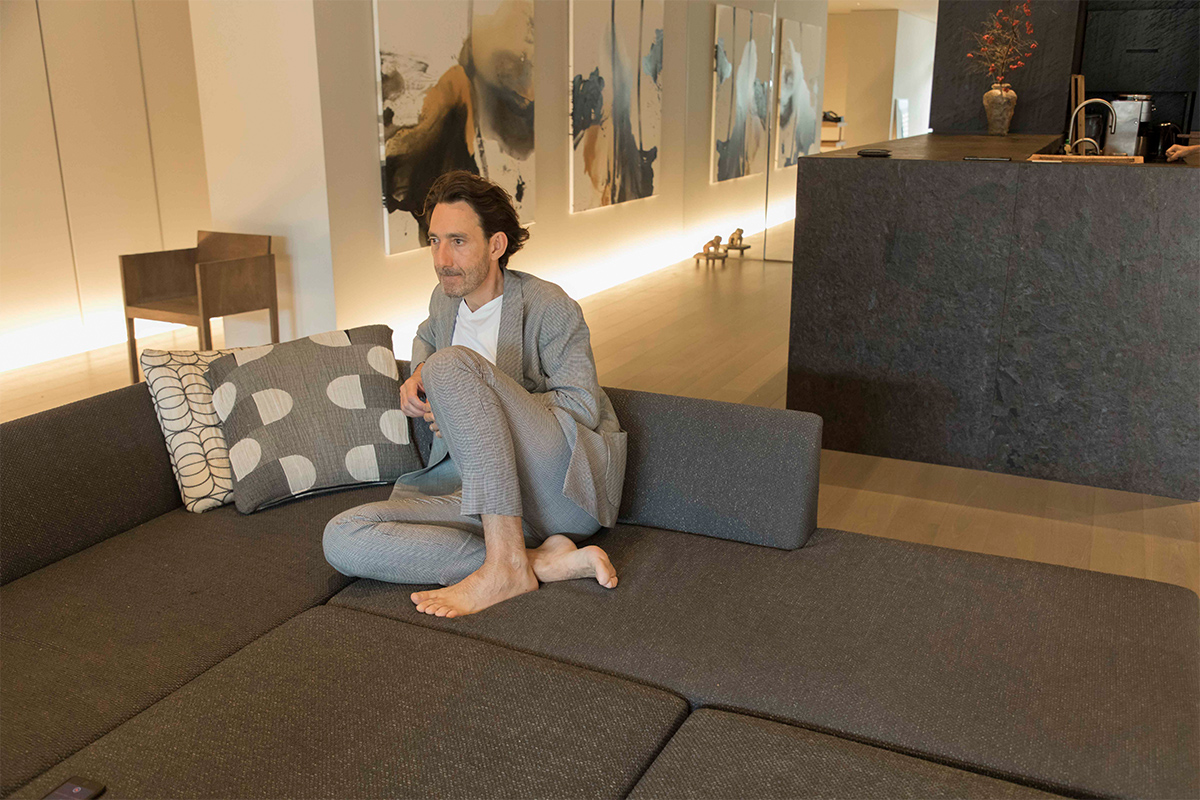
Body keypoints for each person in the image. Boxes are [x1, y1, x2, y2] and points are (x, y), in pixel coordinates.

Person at [323, 171, 626, 618]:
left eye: (458, 241)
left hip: (558, 490)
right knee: (342, 536)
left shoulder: (549, 305)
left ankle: (506, 566)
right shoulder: (444, 300)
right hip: (474, 494)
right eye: (434, 241)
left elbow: (581, 405)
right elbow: (426, 336)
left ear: (496, 245)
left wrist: (476, 404)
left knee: (449, 365)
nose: (442, 259)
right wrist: (417, 374)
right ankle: (530, 562)